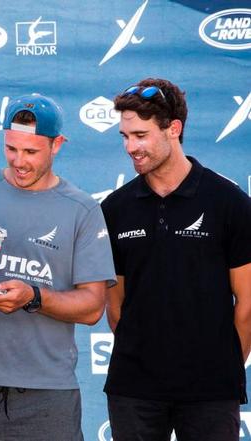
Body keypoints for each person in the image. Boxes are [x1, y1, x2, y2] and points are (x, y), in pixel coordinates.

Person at [0, 93, 116, 441]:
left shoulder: (82, 210)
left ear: (57, 144)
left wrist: (34, 297)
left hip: (48, 395)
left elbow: (92, 307)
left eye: (31, 152)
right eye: (11, 149)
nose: (19, 161)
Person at [101, 77, 251, 441]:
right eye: (124, 136)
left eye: (140, 135)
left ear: (174, 129)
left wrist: (220, 364)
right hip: (133, 389)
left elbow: (246, 305)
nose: (130, 147)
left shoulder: (229, 203)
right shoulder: (115, 208)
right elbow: (115, 305)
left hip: (210, 391)